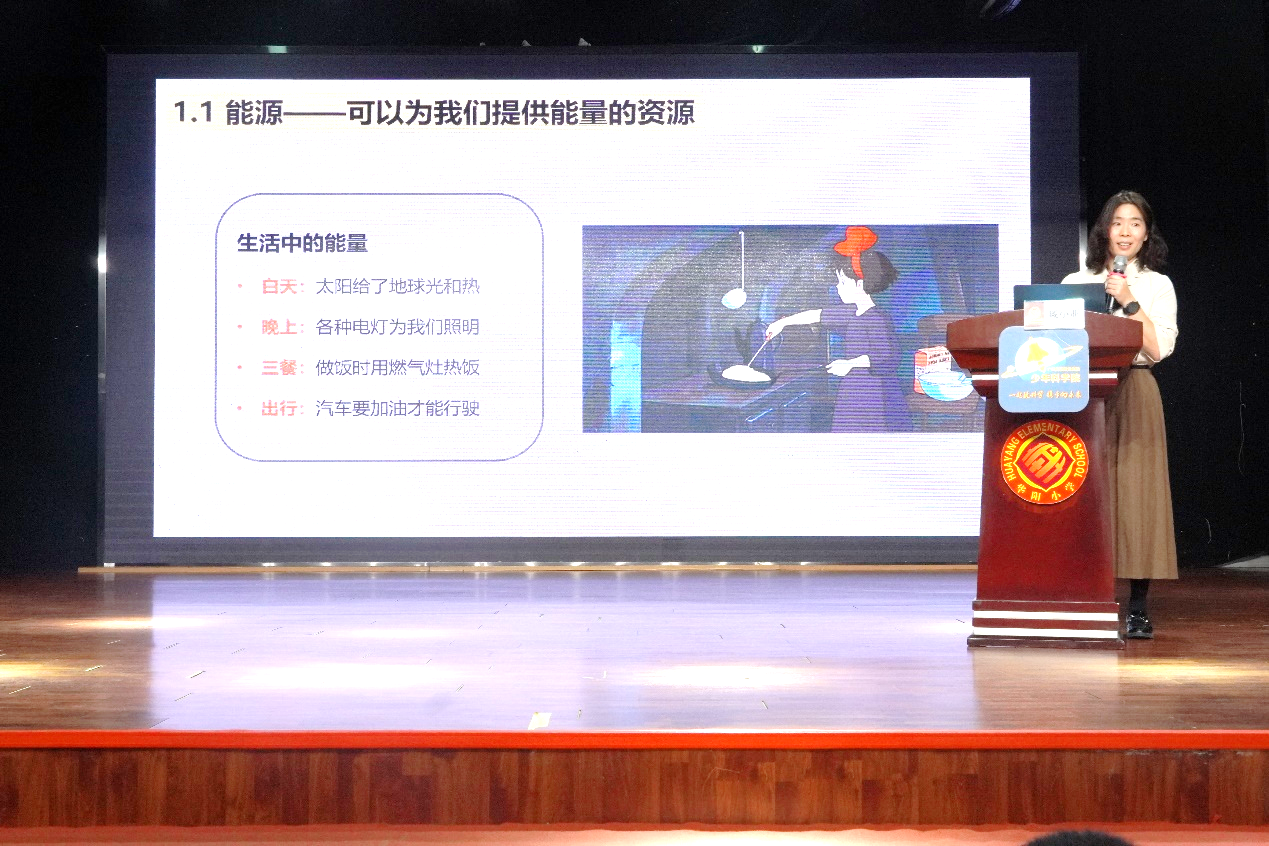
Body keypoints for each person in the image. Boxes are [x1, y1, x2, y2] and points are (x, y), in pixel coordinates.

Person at [1063, 191, 1178, 639]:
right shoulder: (1076, 281)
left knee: (1137, 496)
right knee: (1081, 491)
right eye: (1117, 223)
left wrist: (1128, 298)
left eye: (1135, 223)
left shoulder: (1157, 285)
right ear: (1104, 231)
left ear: (1146, 234)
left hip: (1135, 387)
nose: (1125, 231)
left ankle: (1137, 606)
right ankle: (1083, 594)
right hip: (1080, 390)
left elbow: (1158, 348)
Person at [765, 226, 907, 432]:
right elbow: (817, 314)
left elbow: (887, 356)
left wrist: (850, 364)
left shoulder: (877, 318)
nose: (838, 287)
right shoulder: (851, 312)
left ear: (860, 285)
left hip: (876, 397)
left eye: (842, 282)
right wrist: (782, 323)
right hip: (852, 391)